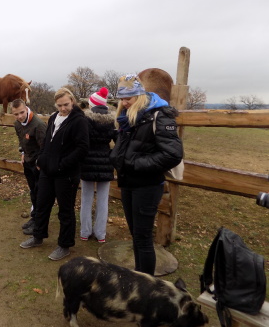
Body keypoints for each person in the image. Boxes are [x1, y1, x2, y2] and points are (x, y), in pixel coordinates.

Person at [109, 74, 183, 275]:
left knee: (143, 238)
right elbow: (128, 147)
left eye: (128, 98)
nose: (124, 103)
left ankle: (146, 284)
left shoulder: (159, 115)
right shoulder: (127, 117)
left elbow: (173, 154)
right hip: (128, 182)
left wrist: (135, 163)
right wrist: (117, 157)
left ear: (140, 95)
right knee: (136, 235)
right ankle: (138, 276)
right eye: (122, 99)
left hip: (147, 185)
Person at [20, 88, 88, 261]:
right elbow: (46, 142)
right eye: (59, 105)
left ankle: (64, 245)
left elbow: (82, 148)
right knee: (42, 204)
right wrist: (41, 159)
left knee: (65, 210)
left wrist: (62, 164)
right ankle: (38, 236)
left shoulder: (79, 121)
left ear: (72, 101)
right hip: (47, 170)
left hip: (66, 173)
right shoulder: (53, 118)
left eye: (66, 104)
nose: (63, 108)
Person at [79, 87, 117, 243]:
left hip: (87, 162)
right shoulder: (112, 121)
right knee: (103, 200)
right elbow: (117, 141)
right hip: (105, 162)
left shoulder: (85, 120)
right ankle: (100, 233)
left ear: (92, 104)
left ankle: (85, 231)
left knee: (86, 199)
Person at [11, 98, 46, 234]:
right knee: (33, 191)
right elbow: (21, 141)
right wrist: (22, 153)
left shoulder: (38, 125)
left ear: (26, 109)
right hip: (27, 162)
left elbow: (44, 146)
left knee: (39, 192)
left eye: (21, 112)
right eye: (16, 114)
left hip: (38, 164)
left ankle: (40, 222)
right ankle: (34, 217)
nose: (20, 116)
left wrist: (40, 162)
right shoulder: (17, 124)